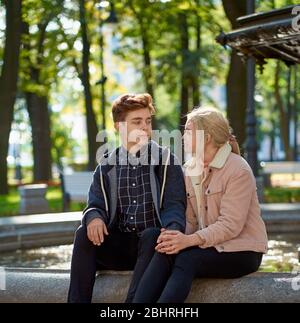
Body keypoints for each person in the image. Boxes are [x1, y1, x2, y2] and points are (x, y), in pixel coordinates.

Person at [131, 107, 268, 303]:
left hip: (242, 250)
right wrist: (174, 238)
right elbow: (190, 220)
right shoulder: (189, 170)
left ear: (208, 137)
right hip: (209, 244)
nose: (183, 135)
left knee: (188, 258)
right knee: (166, 248)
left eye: (188, 131)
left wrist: (189, 241)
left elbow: (230, 226)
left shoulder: (238, 170)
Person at [67, 93, 186, 303]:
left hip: (153, 249)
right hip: (120, 246)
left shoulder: (166, 160)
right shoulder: (107, 165)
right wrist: (94, 217)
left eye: (148, 121)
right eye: (137, 122)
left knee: (151, 235)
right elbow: (95, 204)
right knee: (83, 233)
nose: (145, 128)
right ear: (119, 126)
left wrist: (173, 228)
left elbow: (174, 204)